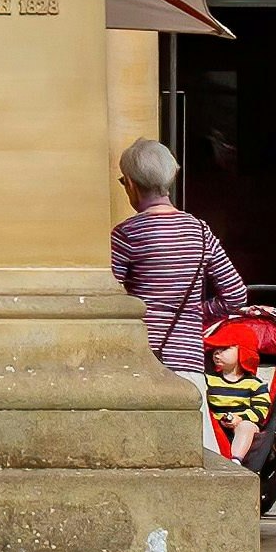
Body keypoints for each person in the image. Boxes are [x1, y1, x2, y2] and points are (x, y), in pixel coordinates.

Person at [108, 138, 245, 383]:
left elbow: (108, 298)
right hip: (189, 364)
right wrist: (195, 312)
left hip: (141, 362)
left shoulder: (127, 234)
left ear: (130, 184)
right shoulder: (200, 231)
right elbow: (235, 295)